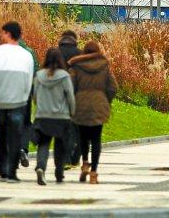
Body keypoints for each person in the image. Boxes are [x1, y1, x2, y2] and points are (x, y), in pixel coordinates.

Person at [0, 21, 34, 183]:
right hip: (18, 102)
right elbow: (28, 81)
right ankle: (12, 172)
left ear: (7, 33)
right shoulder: (26, 55)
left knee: (1, 135)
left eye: (3, 33)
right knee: (15, 137)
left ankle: (3, 168)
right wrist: (25, 98)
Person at [69, 41, 118, 185]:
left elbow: (71, 85)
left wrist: (75, 98)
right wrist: (105, 99)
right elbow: (113, 87)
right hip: (99, 105)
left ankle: (84, 163)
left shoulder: (76, 66)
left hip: (81, 105)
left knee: (83, 138)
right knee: (96, 139)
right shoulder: (104, 66)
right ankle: (94, 172)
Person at [32, 48, 75, 186]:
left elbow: (35, 96)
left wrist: (40, 107)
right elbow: (70, 96)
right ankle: (59, 172)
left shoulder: (39, 76)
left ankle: (40, 167)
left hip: (43, 116)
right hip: (61, 117)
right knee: (60, 146)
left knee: (43, 144)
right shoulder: (64, 76)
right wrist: (72, 112)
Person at [58, 30, 82, 168]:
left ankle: (65, 158)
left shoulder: (55, 52)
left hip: (59, 95)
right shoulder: (80, 54)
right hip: (76, 94)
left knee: (63, 128)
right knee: (76, 128)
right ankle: (75, 157)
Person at [17, 37, 39, 170]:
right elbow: (36, 72)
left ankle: (12, 151)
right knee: (25, 121)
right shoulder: (30, 52)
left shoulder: (8, 52)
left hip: (11, 91)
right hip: (27, 90)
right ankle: (23, 149)